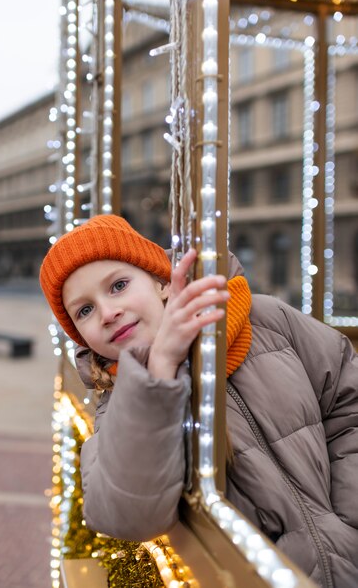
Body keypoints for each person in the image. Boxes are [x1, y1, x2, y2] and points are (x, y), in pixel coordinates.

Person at [40, 214, 358, 588]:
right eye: (85, 311)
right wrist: (158, 371)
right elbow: (130, 516)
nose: (109, 313)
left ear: (160, 281)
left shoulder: (266, 320)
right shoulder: (119, 410)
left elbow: (346, 398)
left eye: (119, 285)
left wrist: (347, 519)